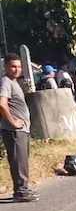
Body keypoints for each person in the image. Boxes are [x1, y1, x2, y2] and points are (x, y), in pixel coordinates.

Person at [0, 53, 39, 202]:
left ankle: (23, 188)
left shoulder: (13, 82)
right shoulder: (6, 82)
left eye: (19, 66)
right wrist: (13, 122)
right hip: (14, 130)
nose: (16, 69)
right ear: (6, 67)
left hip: (21, 130)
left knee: (22, 161)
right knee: (18, 161)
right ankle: (21, 192)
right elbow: (2, 104)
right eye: (13, 66)